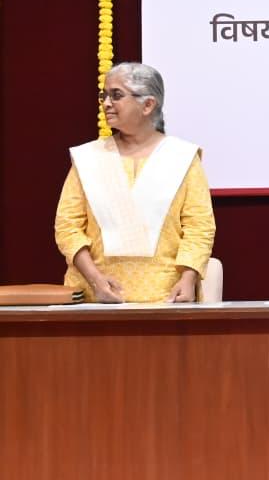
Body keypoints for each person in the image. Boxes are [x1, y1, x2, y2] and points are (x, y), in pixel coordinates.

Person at [54, 62, 216, 302]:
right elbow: (67, 226)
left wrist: (188, 278)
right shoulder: (89, 157)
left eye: (116, 95)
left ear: (148, 105)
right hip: (95, 295)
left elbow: (199, 227)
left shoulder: (181, 157)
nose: (106, 103)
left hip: (166, 296)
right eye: (104, 95)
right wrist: (96, 279)